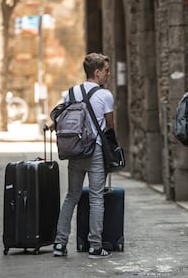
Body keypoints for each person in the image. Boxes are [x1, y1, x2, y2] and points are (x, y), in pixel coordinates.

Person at [53, 52, 114, 259]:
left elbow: (61, 119)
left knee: (72, 195)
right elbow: (110, 126)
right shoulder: (105, 95)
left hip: (75, 150)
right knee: (97, 197)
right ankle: (95, 246)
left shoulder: (70, 93)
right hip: (95, 150)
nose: (108, 74)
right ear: (97, 72)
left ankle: (60, 244)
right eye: (106, 70)